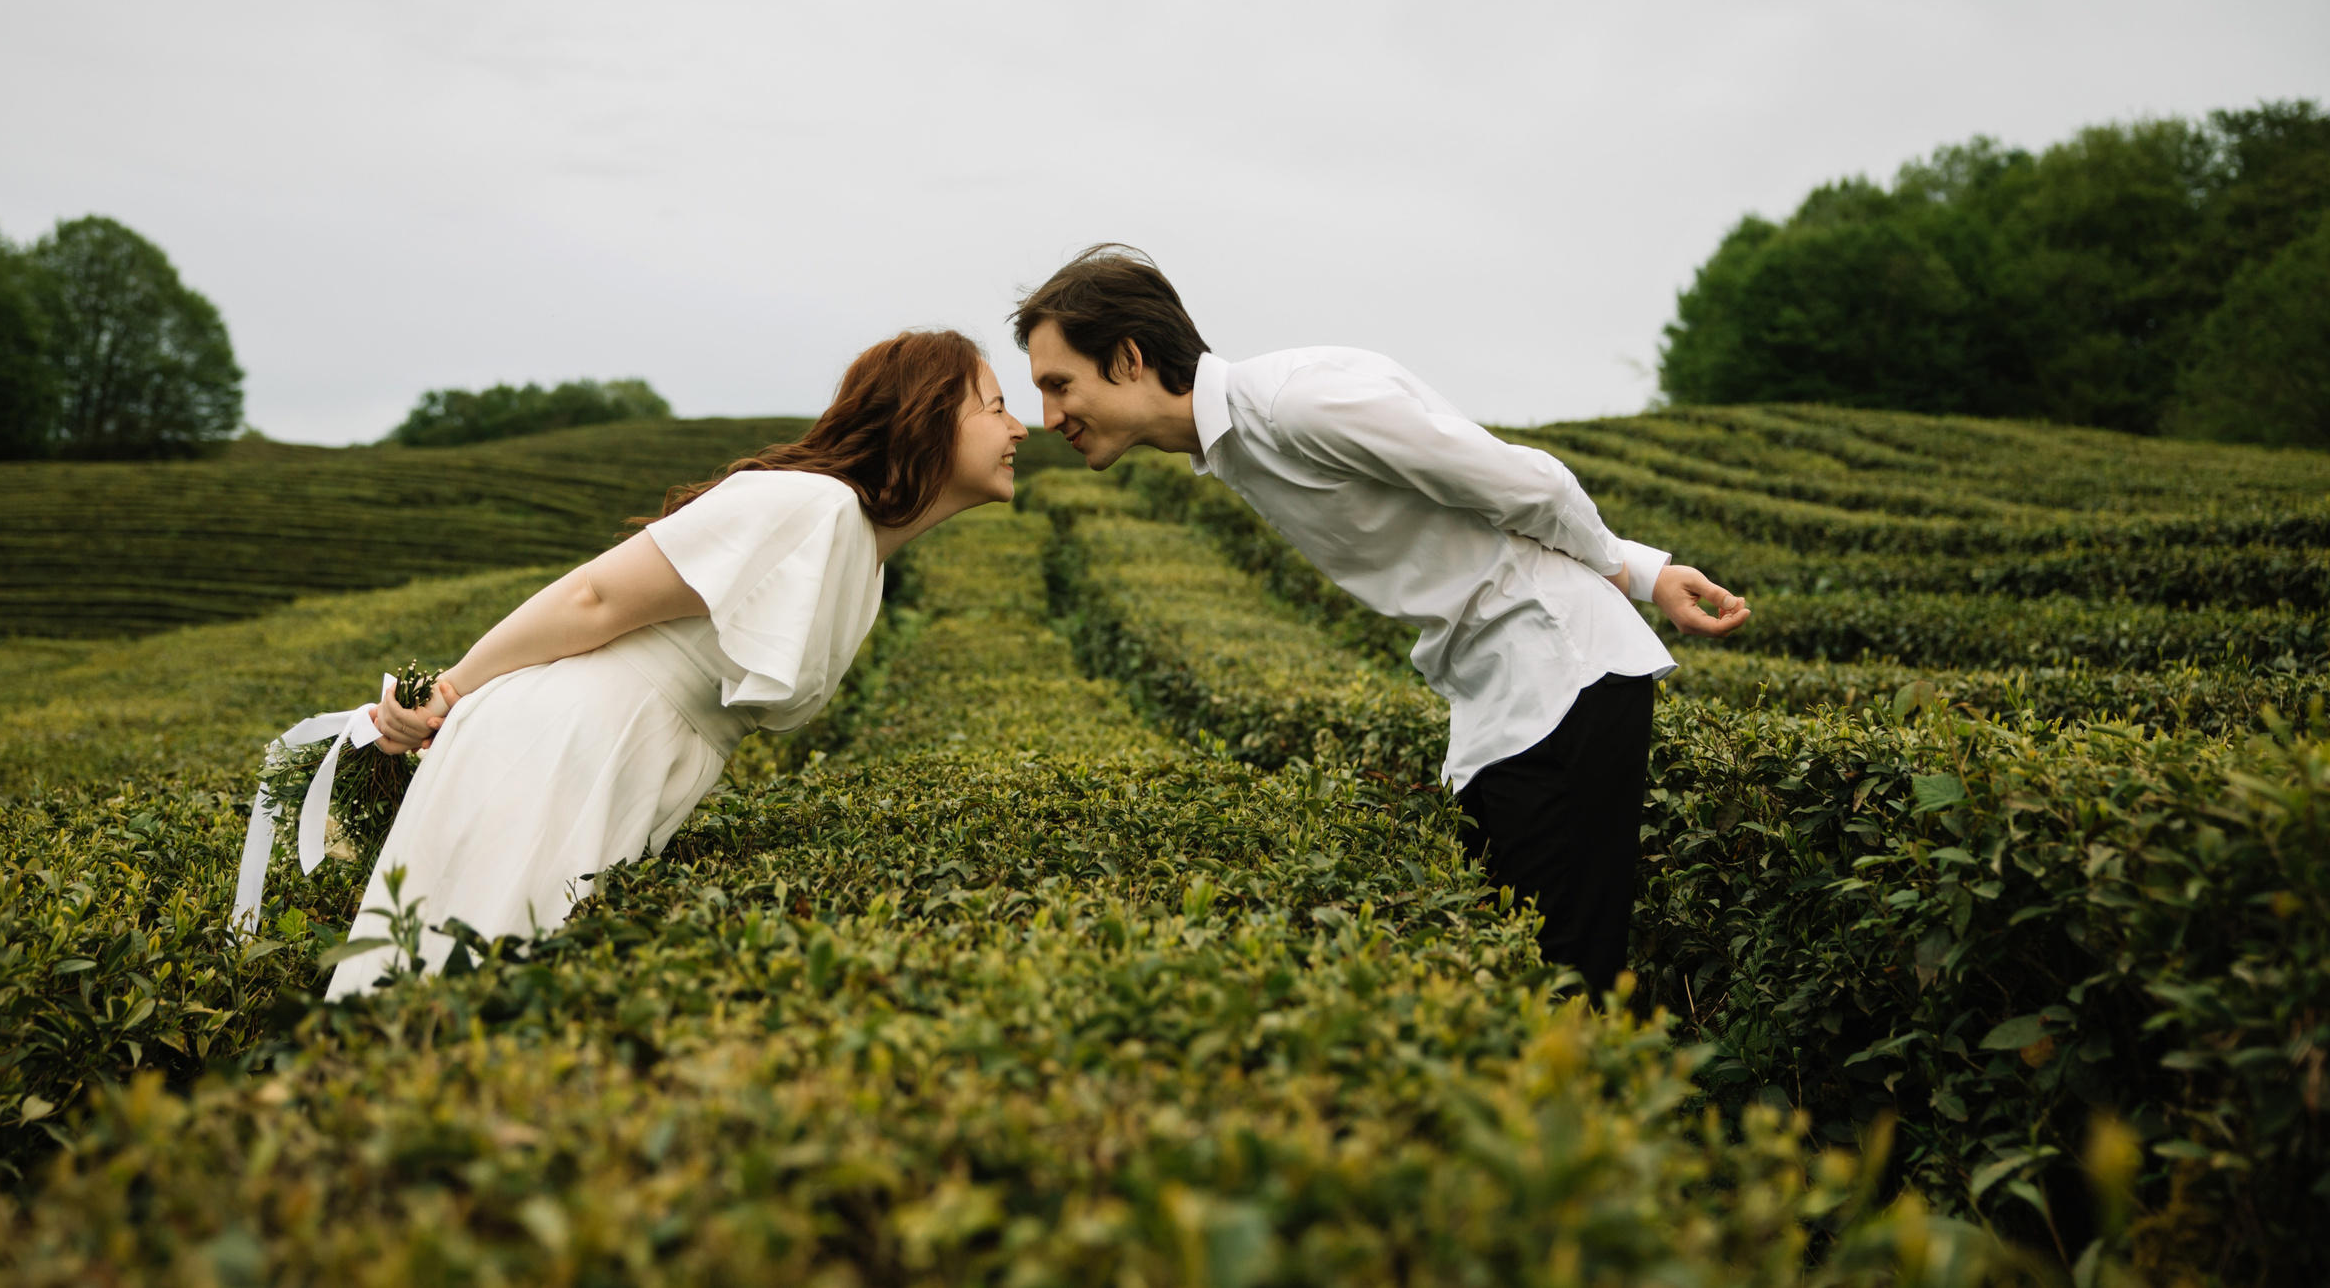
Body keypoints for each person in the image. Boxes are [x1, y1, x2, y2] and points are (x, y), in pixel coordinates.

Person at [1013, 246, 1750, 1003]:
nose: (1048, 417)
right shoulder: (1237, 441)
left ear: (1129, 358)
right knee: (1515, 983)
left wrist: (1640, 573)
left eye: (1058, 384)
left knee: (1560, 990)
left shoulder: (1295, 404)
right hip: (1500, 699)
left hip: (1560, 676)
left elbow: (1528, 482)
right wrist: (1642, 571)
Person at [324, 329, 1028, 998]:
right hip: (571, 743)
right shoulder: (816, 505)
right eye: (997, 407)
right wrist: (447, 690)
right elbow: (594, 595)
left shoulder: (864, 555)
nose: (1020, 428)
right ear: (929, 418)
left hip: (629, 755)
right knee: (463, 978)